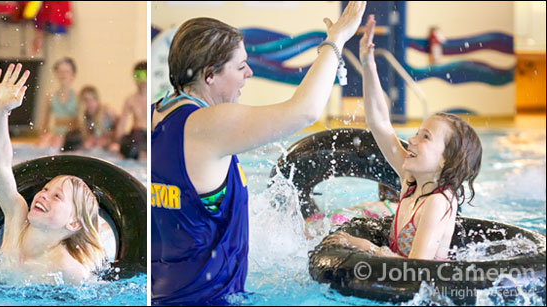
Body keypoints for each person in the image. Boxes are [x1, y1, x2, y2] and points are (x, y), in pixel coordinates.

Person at [150, 2, 366, 305]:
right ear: (210, 74)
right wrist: (337, 40)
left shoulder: (155, 115)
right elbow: (305, 111)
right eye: (240, 67)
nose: (249, 73)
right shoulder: (206, 124)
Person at [323, 15, 483, 260]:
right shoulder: (411, 182)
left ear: (445, 160)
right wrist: (368, 64)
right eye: (417, 133)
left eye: (425, 137)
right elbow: (380, 124)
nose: (412, 140)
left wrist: (365, 246)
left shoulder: (438, 203)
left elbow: (418, 268)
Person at [0, 63, 106, 285]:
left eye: (57, 196)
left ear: (73, 223)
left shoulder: (69, 270)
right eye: (45, 189)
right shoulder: (16, 218)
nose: (43, 195)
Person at [39, 57, 81, 149]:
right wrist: (43, 136)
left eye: (66, 72)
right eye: (60, 72)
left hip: (72, 135)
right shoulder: (50, 96)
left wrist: (64, 134)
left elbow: (80, 123)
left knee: (57, 143)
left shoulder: (78, 96)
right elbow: (45, 123)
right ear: (56, 74)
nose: (63, 75)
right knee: (43, 146)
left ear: (73, 75)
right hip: (56, 133)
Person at [114, 60, 147, 160]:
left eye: (145, 75)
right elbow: (121, 125)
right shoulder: (130, 100)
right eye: (138, 76)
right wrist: (119, 143)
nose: (142, 80)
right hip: (136, 136)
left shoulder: (154, 98)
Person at [79, 85, 117, 150]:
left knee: (113, 147)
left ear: (97, 100)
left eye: (93, 99)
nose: (90, 103)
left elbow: (119, 130)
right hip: (98, 141)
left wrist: (108, 138)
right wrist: (93, 139)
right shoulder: (86, 117)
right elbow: (89, 135)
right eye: (86, 100)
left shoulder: (106, 111)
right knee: (87, 145)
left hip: (110, 140)